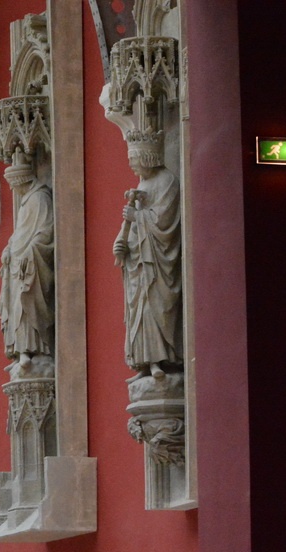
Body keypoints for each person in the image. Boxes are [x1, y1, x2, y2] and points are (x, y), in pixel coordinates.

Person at [112, 131, 182, 379]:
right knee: (139, 312)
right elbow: (132, 227)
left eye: (134, 159)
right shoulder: (142, 184)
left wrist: (137, 216)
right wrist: (121, 244)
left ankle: (160, 361)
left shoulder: (167, 181)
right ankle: (144, 362)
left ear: (147, 157)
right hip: (139, 262)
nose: (131, 165)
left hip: (157, 263)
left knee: (155, 308)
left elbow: (165, 223)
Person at [0, 150, 55, 370]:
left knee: (26, 304)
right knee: (16, 309)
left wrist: (30, 251)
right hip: (18, 263)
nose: (13, 190)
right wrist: (9, 248)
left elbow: (45, 231)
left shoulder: (40, 198)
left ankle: (34, 349)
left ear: (22, 180)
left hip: (31, 263)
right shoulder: (26, 201)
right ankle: (20, 350)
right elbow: (20, 232)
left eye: (14, 185)